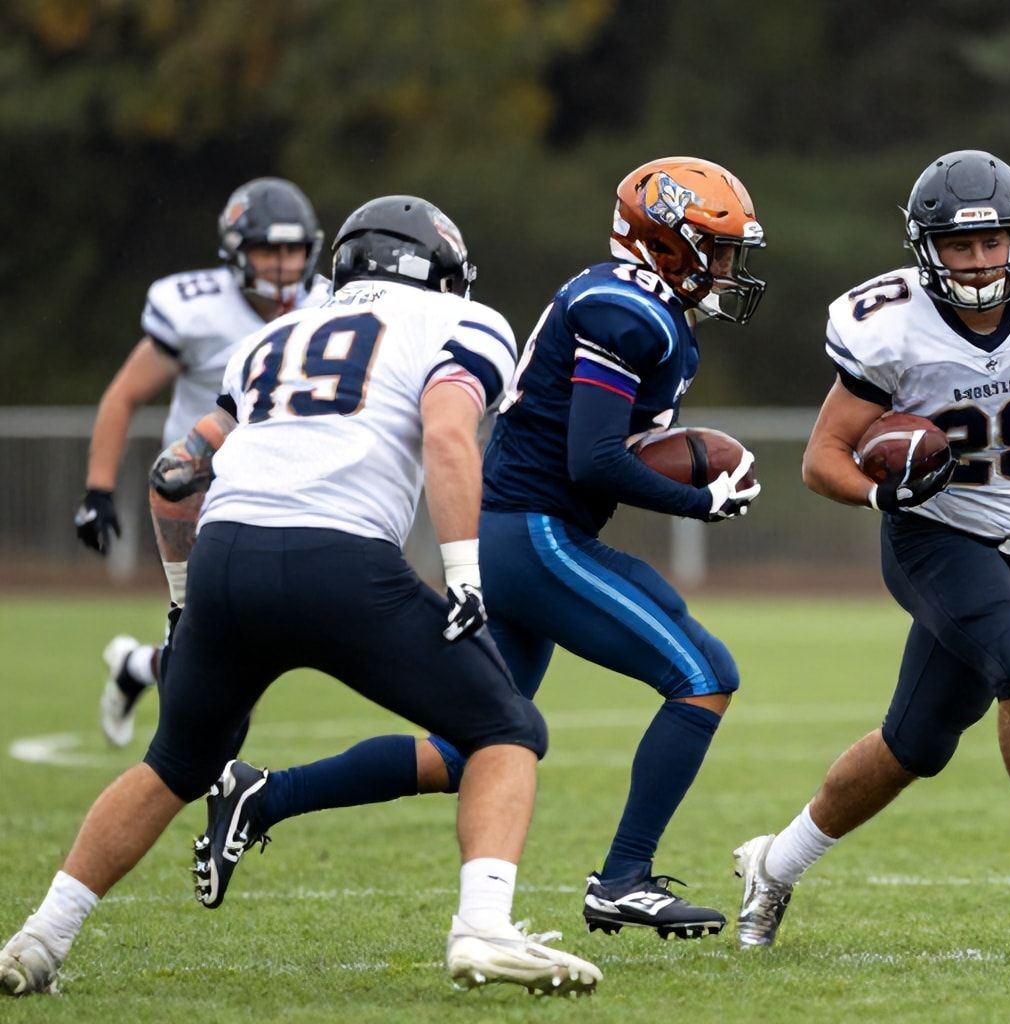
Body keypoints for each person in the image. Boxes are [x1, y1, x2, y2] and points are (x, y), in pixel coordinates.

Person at [1, 195, 601, 997]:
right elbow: (449, 433)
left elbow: (174, 475)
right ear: (438, 270)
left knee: (175, 764)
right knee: (505, 730)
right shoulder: (461, 323)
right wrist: (464, 576)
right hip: (341, 563)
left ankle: (38, 941)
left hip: (227, 556)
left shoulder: (267, 340)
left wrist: (183, 604)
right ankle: (483, 929)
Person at [187, 158, 766, 941]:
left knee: (471, 747)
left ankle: (267, 794)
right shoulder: (624, 309)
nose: (727, 268)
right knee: (704, 675)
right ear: (665, 242)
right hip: (533, 534)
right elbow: (592, 459)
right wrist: (700, 498)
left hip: (523, 533)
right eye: (716, 248)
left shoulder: (640, 304)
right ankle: (624, 877)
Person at [731, 150, 1010, 949]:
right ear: (924, 249)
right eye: (958, 245)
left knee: (914, 746)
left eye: (993, 242)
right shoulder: (891, 328)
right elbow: (820, 462)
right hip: (932, 535)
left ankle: (773, 864)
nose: (979, 261)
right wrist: (884, 494)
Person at [78, 177, 332, 749]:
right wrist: (97, 491)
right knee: (229, 653)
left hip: (277, 487)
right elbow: (123, 395)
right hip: (199, 490)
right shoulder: (194, 309)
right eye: (269, 248)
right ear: (236, 249)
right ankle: (205, 773)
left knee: (239, 644)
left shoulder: (328, 306)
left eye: (293, 249)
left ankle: (139, 668)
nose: (284, 263)